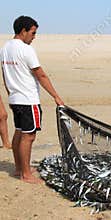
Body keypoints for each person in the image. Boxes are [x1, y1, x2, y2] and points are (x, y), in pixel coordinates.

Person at [0, 16, 64, 184]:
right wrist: (56, 96)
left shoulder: (5, 48)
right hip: (28, 99)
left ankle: (19, 168)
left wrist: (10, 93)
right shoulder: (26, 50)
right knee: (29, 136)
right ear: (23, 31)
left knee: (19, 132)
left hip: (15, 98)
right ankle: (26, 174)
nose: (34, 37)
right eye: (33, 33)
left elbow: (5, 74)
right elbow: (41, 74)